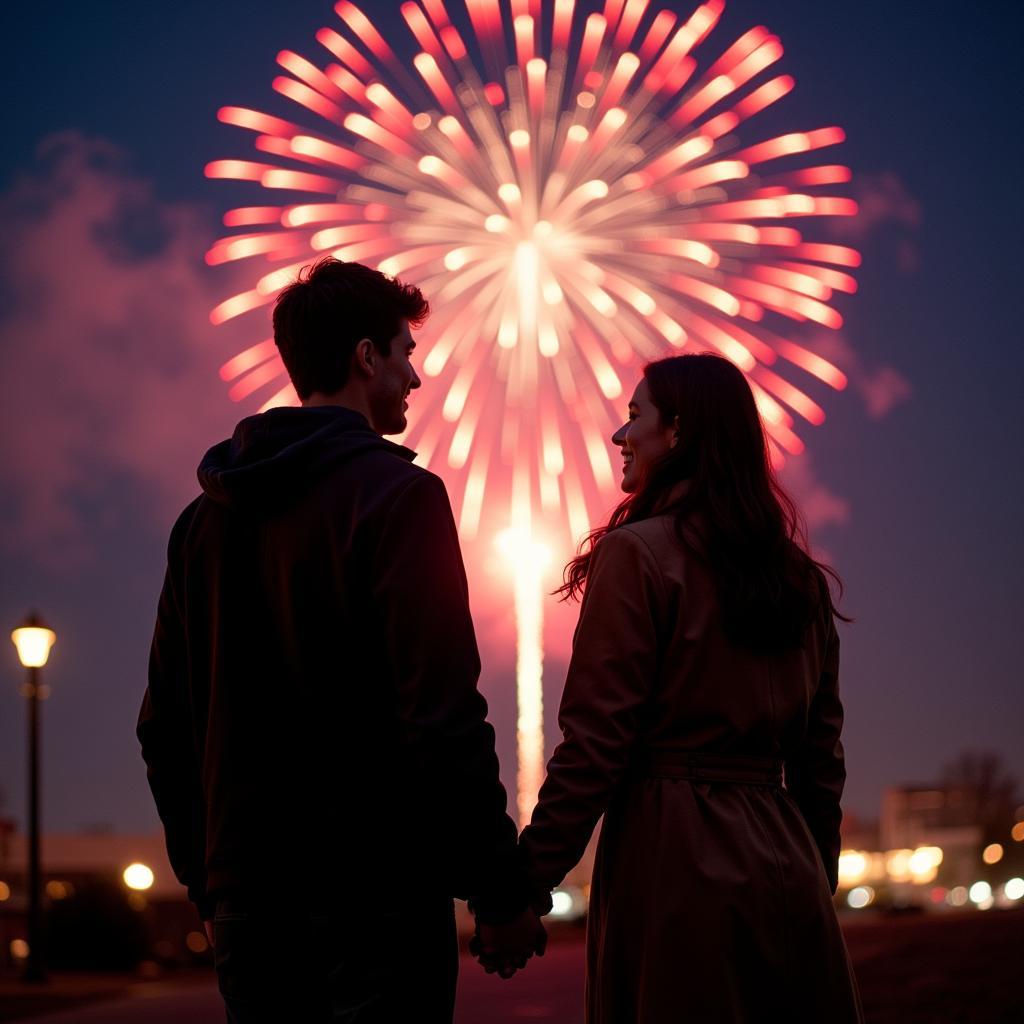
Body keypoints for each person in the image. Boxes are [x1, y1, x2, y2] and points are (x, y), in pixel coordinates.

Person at [137, 257, 544, 1024]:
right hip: (377, 899)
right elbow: (442, 714)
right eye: (406, 355)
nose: (415, 382)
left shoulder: (202, 524)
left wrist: (210, 881)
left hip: (247, 903)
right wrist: (497, 888)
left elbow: (164, 726)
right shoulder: (401, 499)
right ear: (366, 356)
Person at [519, 353, 863, 1023]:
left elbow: (593, 745)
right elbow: (822, 770)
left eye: (634, 417)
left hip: (673, 864)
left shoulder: (638, 556)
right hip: (788, 864)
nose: (621, 437)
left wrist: (526, 884)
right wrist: (813, 881)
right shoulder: (803, 582)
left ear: (676, 432)